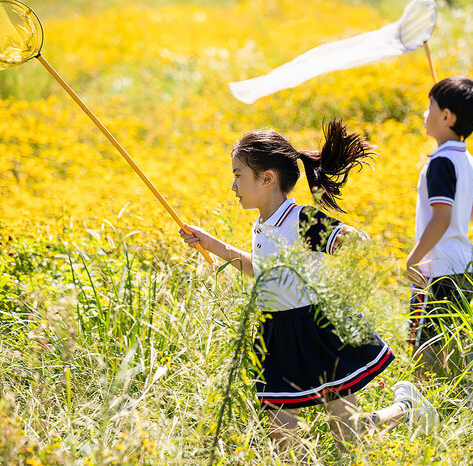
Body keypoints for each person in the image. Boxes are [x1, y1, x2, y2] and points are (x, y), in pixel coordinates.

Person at [180, 119, 437, 447]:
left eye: (237, 175)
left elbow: (350, 240)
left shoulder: (300, 218)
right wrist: (208, 242)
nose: (233, 186)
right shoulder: (262, 225)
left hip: (315, 330)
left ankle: (407, 407)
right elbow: (259, 268)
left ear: (267, 178)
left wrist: (355, 241)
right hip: (274, 333)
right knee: (281, 435)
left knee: (348, 433)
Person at [406, 76, 473, 374]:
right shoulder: (468, 160)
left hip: (437, 271)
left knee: (422, 349)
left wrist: (413, 258)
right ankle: (453, 406)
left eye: (430, 107)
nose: (424, 113)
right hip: (465, 267)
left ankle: (424, 408)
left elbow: (442, 218)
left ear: (446, 116)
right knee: (453, 343)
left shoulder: (440, 163)